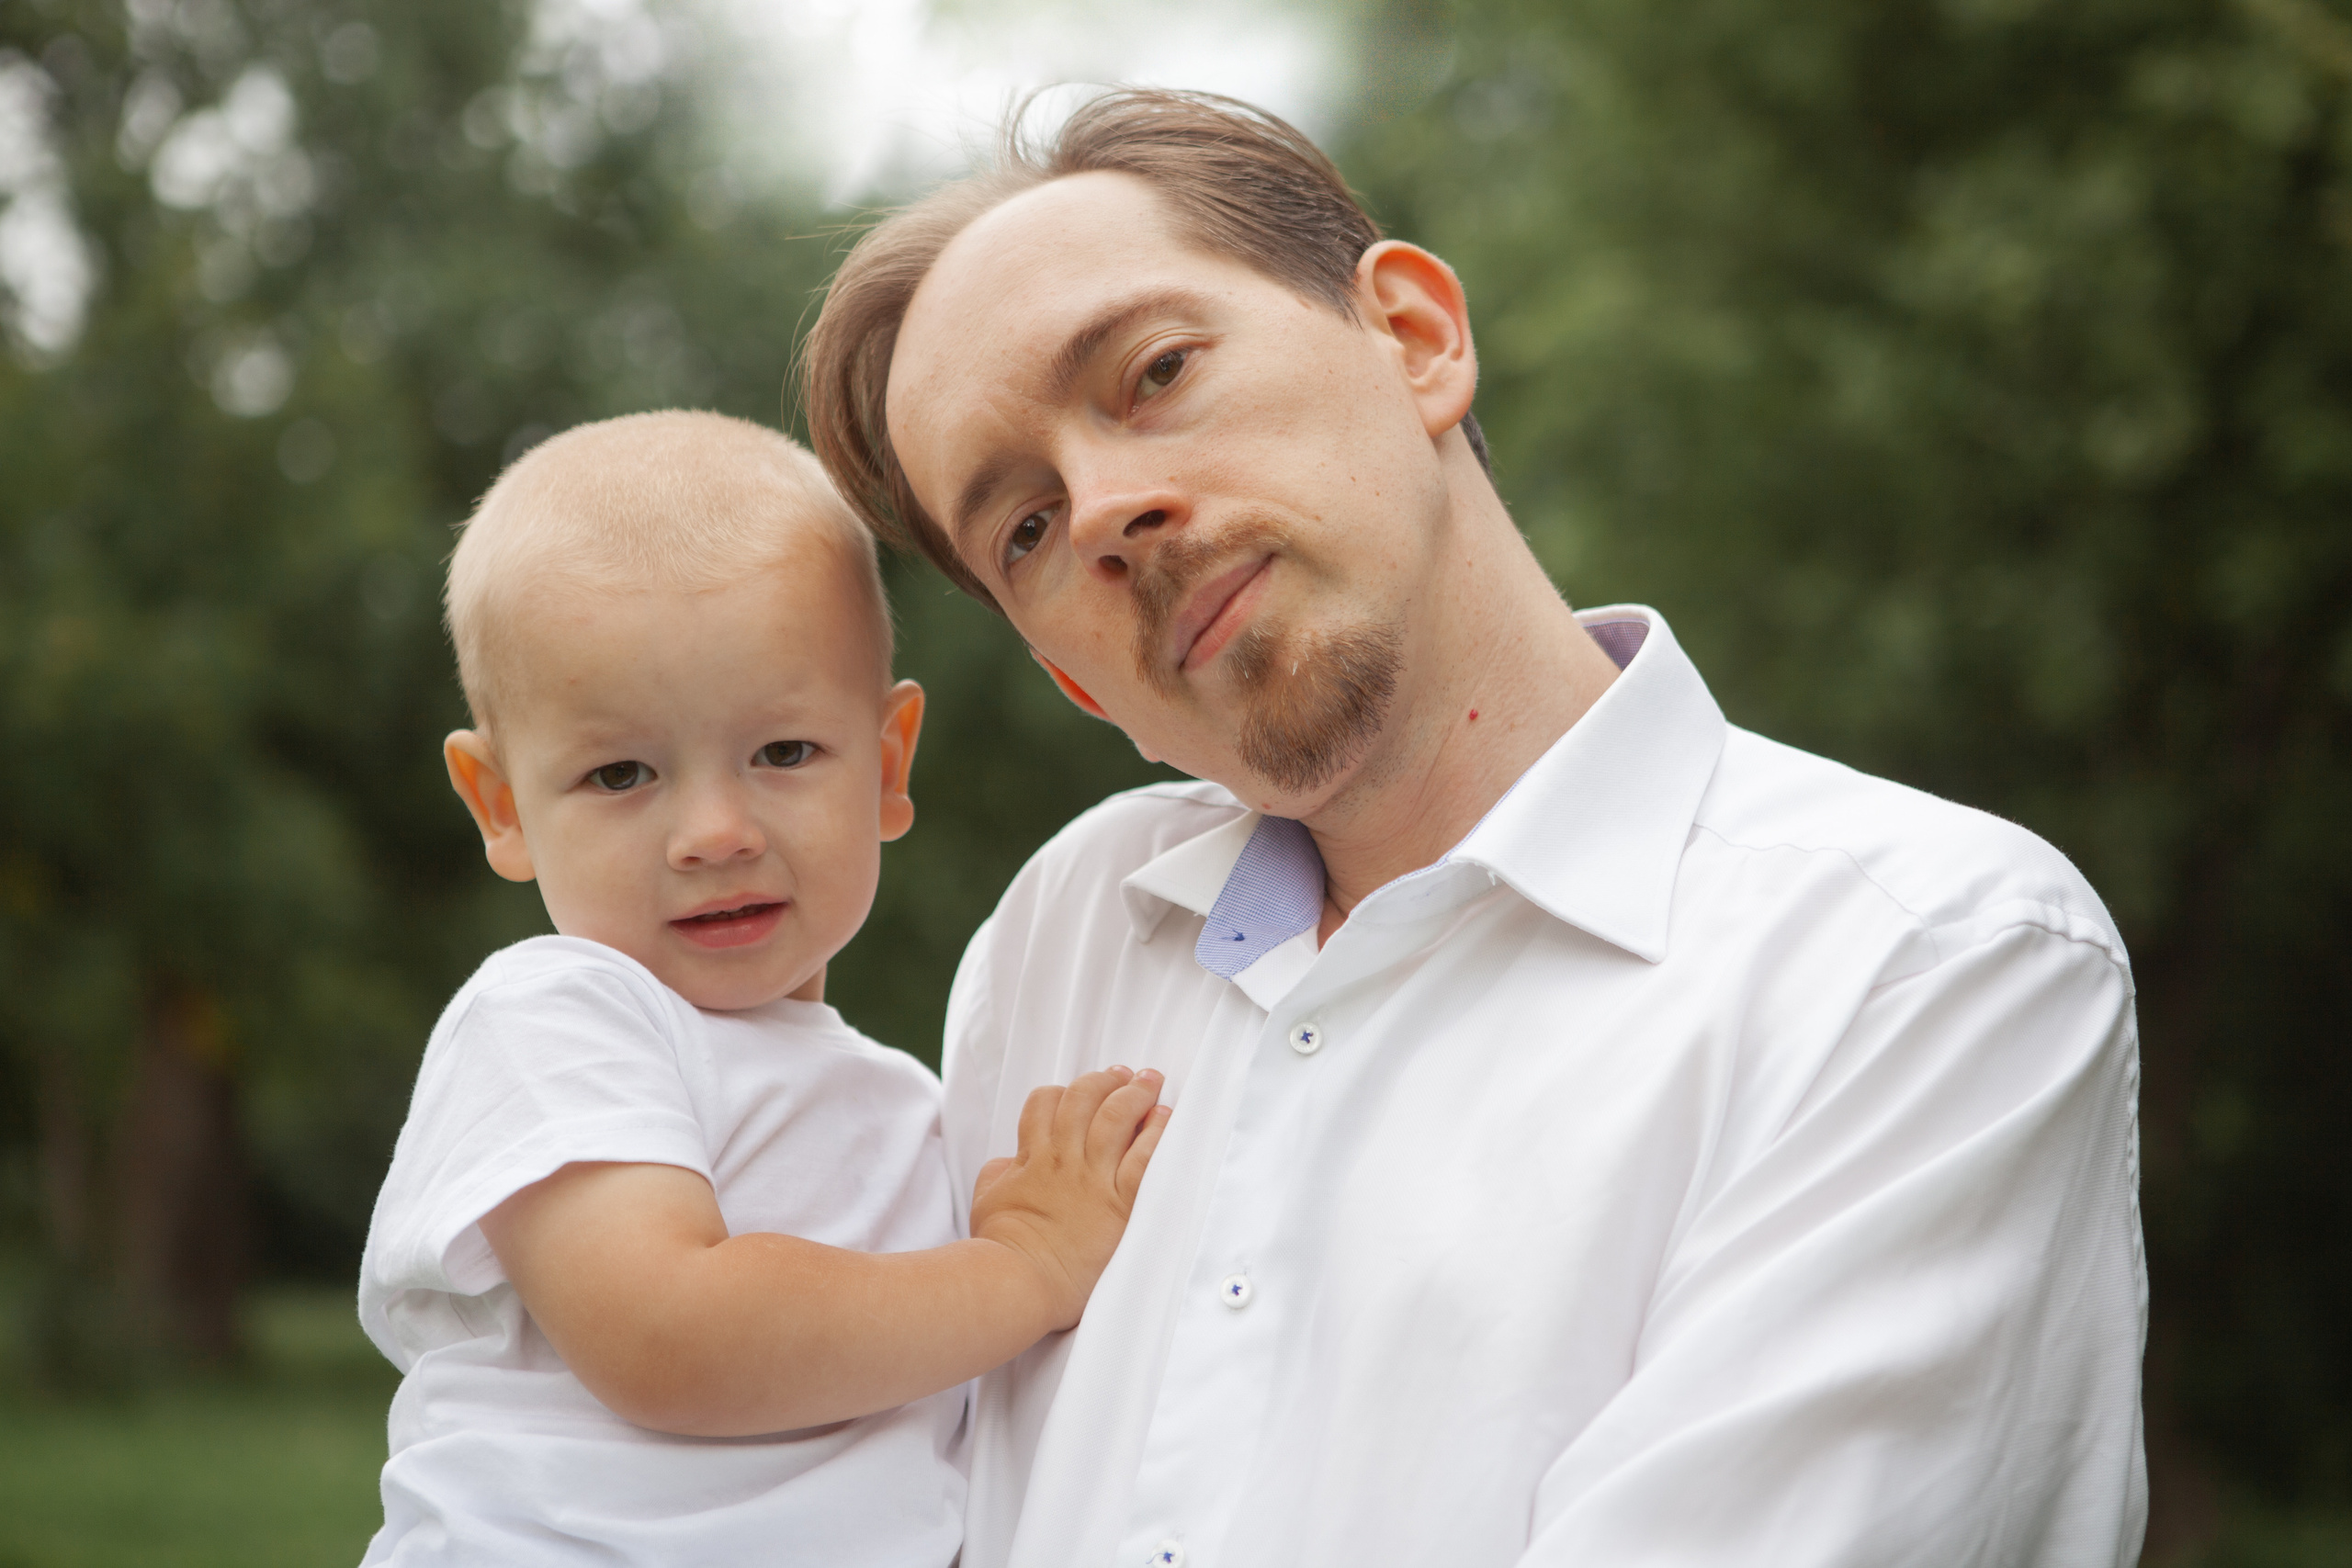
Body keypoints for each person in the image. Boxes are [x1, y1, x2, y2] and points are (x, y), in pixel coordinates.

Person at [800, 90, 2147, 1566]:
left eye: (1158, 369)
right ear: (1067, 672)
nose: (1108, 509)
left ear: (1416, 338)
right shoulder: (1062, 939)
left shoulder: (1922, 960)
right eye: (1026, 531)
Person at [355, 411, 1170, 1565]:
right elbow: (669, 1338)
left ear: (886, 766)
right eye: (621, 773)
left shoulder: (908, 1103)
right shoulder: (558, 1013)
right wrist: (1022, 1271)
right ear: (500, 806)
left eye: (783, 754)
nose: (715, 833)